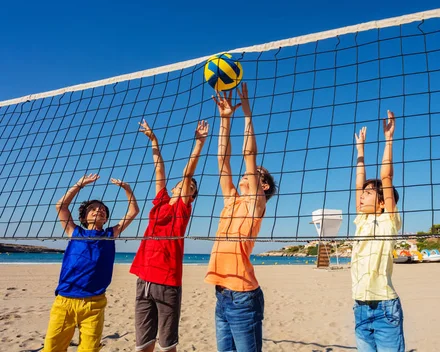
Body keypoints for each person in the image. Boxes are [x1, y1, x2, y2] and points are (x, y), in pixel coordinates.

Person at [205, 83, 277, 352]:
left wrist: (247, 114)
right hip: (222, 293)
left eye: (255, 172)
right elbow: (223, 160)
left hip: (244, 296)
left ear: (264, 186)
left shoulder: (255, 205)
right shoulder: (232, 200)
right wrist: (225, 121)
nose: (247, 171)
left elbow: (249, 154)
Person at [130, 119, 208, 352]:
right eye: (184, 185)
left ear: (191, 196)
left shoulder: (183, 209)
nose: (185, 186)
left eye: (191, 188)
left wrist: (198, 144)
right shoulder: (161, 201)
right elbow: (159, 169)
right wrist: (154, 140)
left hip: (167, 282)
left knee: (167, 346)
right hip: (144, 279)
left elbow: (187, 175)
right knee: (142, 344)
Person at [43, 173, 139, 352]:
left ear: (106, 218)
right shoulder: (74, 231)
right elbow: (61, 206)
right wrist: (79, 185)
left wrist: (127, 189)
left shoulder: (110, 234)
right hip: (65, 300)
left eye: (102, 209)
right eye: (93, 208)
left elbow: (133, 211)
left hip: (94, 303)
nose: (98, 210)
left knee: (90, 349)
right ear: (84, 216)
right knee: (52, 348)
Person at [351, 110, 404, 352]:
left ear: (383, 202)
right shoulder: (361, 219)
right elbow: (358, 182)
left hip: (385, 306)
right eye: (362, 194)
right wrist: (360, 152)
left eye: (369, 194)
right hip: (360, 306)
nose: (361, 197)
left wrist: (388, 140)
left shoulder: (388, 221)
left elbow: (386, 176)